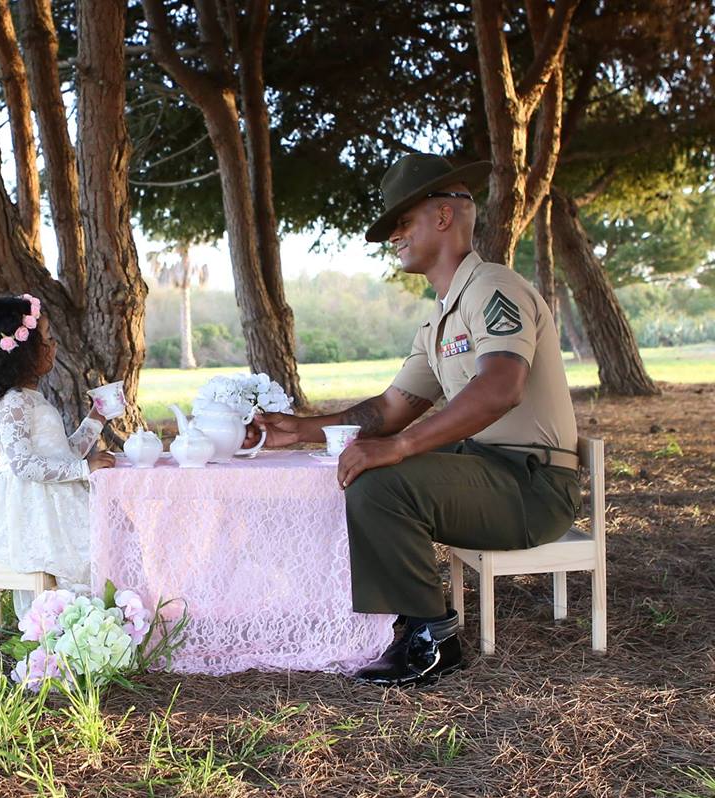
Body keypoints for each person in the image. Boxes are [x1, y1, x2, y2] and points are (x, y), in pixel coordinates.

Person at [247, 153, 582, 687]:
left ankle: (432, 639)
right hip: (487, 468)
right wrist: (302, 428)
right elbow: (389, 409)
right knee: (362, 465)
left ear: (443, 216)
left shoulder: (494, 288)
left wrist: (401, 447)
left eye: (402, 222)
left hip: (532, 485)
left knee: (381, 484)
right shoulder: (439, 318)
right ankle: (389, 618)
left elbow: (501, 387)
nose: (393, 237)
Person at [0, 293, 117, 618]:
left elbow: (62, 454)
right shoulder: (14, 403)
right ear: (23, 351)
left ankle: (92, 621)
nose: (53, 344)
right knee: (82, 555)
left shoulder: (30, 398)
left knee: (101, 544)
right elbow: (24, 465)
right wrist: (84, 469)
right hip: (35, 504)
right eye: (46, 338)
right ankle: (71, 624)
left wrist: (96, 419)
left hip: (52, 494)